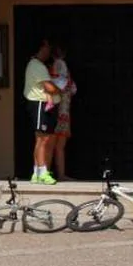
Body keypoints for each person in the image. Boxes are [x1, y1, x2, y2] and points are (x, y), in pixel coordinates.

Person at [23, 37, 61, 185]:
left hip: (46, 105)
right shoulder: (36, 65)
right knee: (42, 139)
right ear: (40, 49)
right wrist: (60, 89)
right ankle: (42, 172)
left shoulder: (39, 65)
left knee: (43, 138)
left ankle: (37, 172)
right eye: (46, 47)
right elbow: (49, 87)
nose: (49, 50)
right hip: (40, 104)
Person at [49, 45, 78, 181]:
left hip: (59, 110)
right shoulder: (59, 66)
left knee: (55, 144)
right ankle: (57, 173)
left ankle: (53, 173)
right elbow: (70, 88)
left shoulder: (53, 68)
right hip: (60, 110)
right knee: (57, 144)